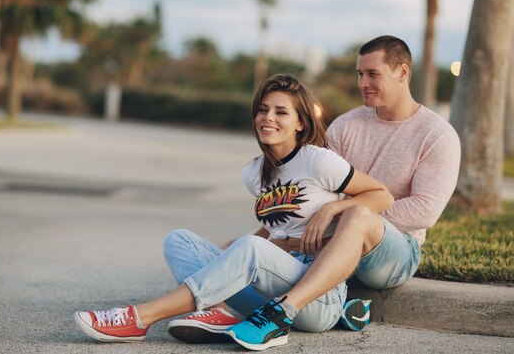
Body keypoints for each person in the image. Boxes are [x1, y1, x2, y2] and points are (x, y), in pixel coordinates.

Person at [175, 35, 461, 348]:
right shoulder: (346, 126)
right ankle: (231, 311)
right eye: (359, 74)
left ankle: (281, 312)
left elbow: (423, 211)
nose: (362, 82)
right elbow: (309, 193)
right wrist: (265, 237)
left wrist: (338, 215)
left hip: (394, 251)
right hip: (330, 246)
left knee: (357, 216)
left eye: (372, 74)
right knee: (229, 249)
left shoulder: (437, 135)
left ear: (403, 73)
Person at [73, 74, 394, 350]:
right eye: (263, 110)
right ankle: (228, 310)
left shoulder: (318, 160)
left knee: (250, 248)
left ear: (300, 123)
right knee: (179, 241)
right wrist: (230, 252)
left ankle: (140, 317)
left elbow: (381, 195)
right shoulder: (254, 173)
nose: (269, 118)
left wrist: (335, 208)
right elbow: (273, 230)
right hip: (273, 278)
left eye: (281, 112)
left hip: (315, 294)